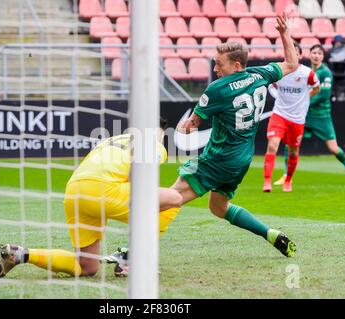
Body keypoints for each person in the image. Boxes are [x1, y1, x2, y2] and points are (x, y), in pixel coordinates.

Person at [106, 13, 300, 271]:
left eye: (219, 64)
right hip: (241, 160)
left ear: (237, 65)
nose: (215, 69)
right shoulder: (261, 74)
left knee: (168, 197)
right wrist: (284, 33)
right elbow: (292, 64)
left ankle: (132, 256)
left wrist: (183, 128)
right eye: (214, 63)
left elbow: (189, 129)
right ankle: (271, 234)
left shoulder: (217, 89)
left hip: (217, 159)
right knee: (219, 208)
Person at [0, 117, 183, 277]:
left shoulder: (111, 139)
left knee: (87, 267)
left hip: (74, 191)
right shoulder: (154, 144)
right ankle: (132, 259)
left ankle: (21, 254)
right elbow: (139, 175)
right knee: (174, 199)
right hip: (104, 189)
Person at [274, 44, 345, 186]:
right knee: (290, 144)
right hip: (305, 115)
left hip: (322, 116)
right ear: (309, 55)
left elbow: (323, 95)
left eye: (319, 53)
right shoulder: (305, 71)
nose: (316, 55)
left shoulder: (325, 72)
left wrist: (301, 102)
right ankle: (286, 175)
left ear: (322, 56)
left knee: (333, 148)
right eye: (313, 52)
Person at [263, 42, 321, 193]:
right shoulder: (279, 71)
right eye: (289, 52)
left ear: (300, 56)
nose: (292, 54)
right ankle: (267, 181)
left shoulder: (307, 73)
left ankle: (288, 180)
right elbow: (272, 83)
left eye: (295, 52)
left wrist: (306, 98)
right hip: (279, 114)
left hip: (297, 119)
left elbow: (317, 88)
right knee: (272, 146)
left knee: (293, 152)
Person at [327, 35, 345, 102]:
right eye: (336, 43)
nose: (338, 44)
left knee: (343, 102)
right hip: (333, 82)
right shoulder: (328, 53)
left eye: (339, 43)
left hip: (344, 83)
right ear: (333, 43)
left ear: (343, 43)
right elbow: (326, 68)